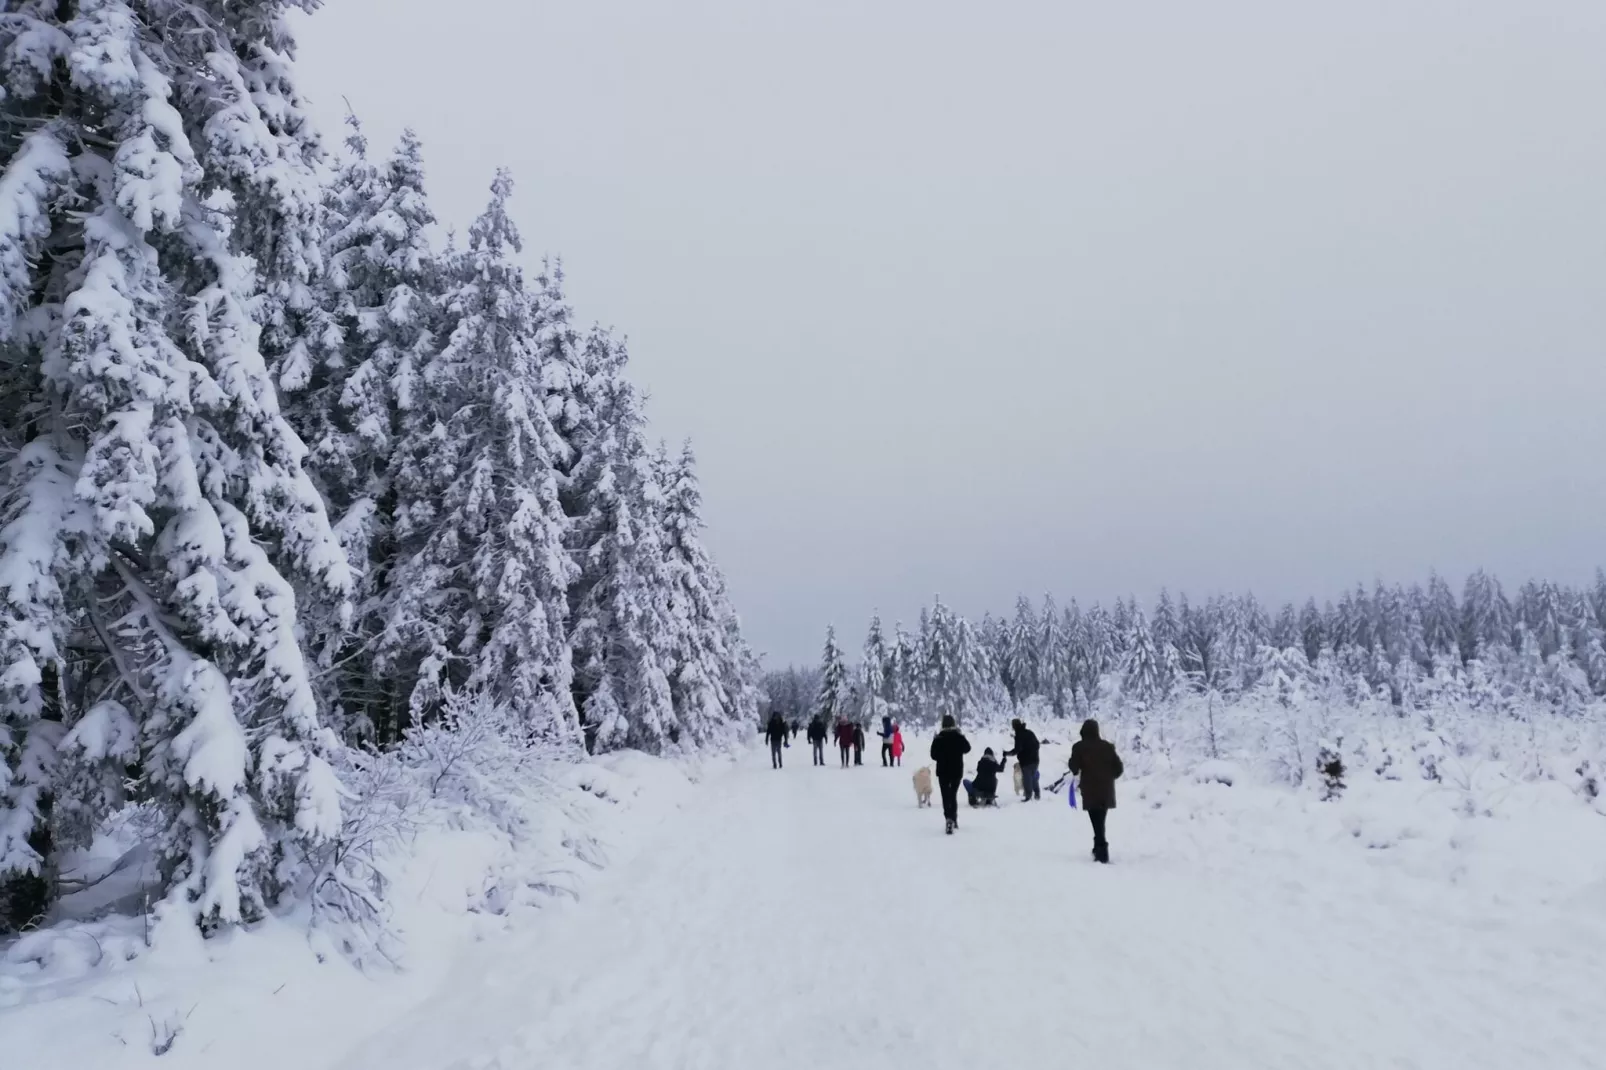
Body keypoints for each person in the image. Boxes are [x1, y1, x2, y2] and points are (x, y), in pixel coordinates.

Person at [1068, 718, 1124, 863]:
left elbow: (1074, 768)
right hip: (1106, 790)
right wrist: (1108, 778)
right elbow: (1119, 769)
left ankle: (1101, 852)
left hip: (1090, 789)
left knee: (1096, 821)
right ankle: (1098, 848)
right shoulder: (1107, 746)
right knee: (1100, 820)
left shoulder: (1079, 747)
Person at [929, 714, 972, 834]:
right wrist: (961, 736)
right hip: (956, 771)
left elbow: (933, 755)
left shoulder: (939, 738)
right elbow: (967, 748)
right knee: (953, 795)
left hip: (943, 771)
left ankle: (948, 818)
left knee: (945, 795)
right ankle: (954, 818)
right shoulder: (958, 736)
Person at [1002, 718, 1041, 801]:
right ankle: (1037, 794)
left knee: (1027, 779)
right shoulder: (1030, 732)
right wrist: (1033, 751)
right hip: (1035, 760)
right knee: (1033, 777)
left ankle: (1028, 796)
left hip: (1026, 762)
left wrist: (1007, 753)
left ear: (1014, 726)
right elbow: (1037, 744)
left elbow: (1017, 750)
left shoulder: (1019, 735)